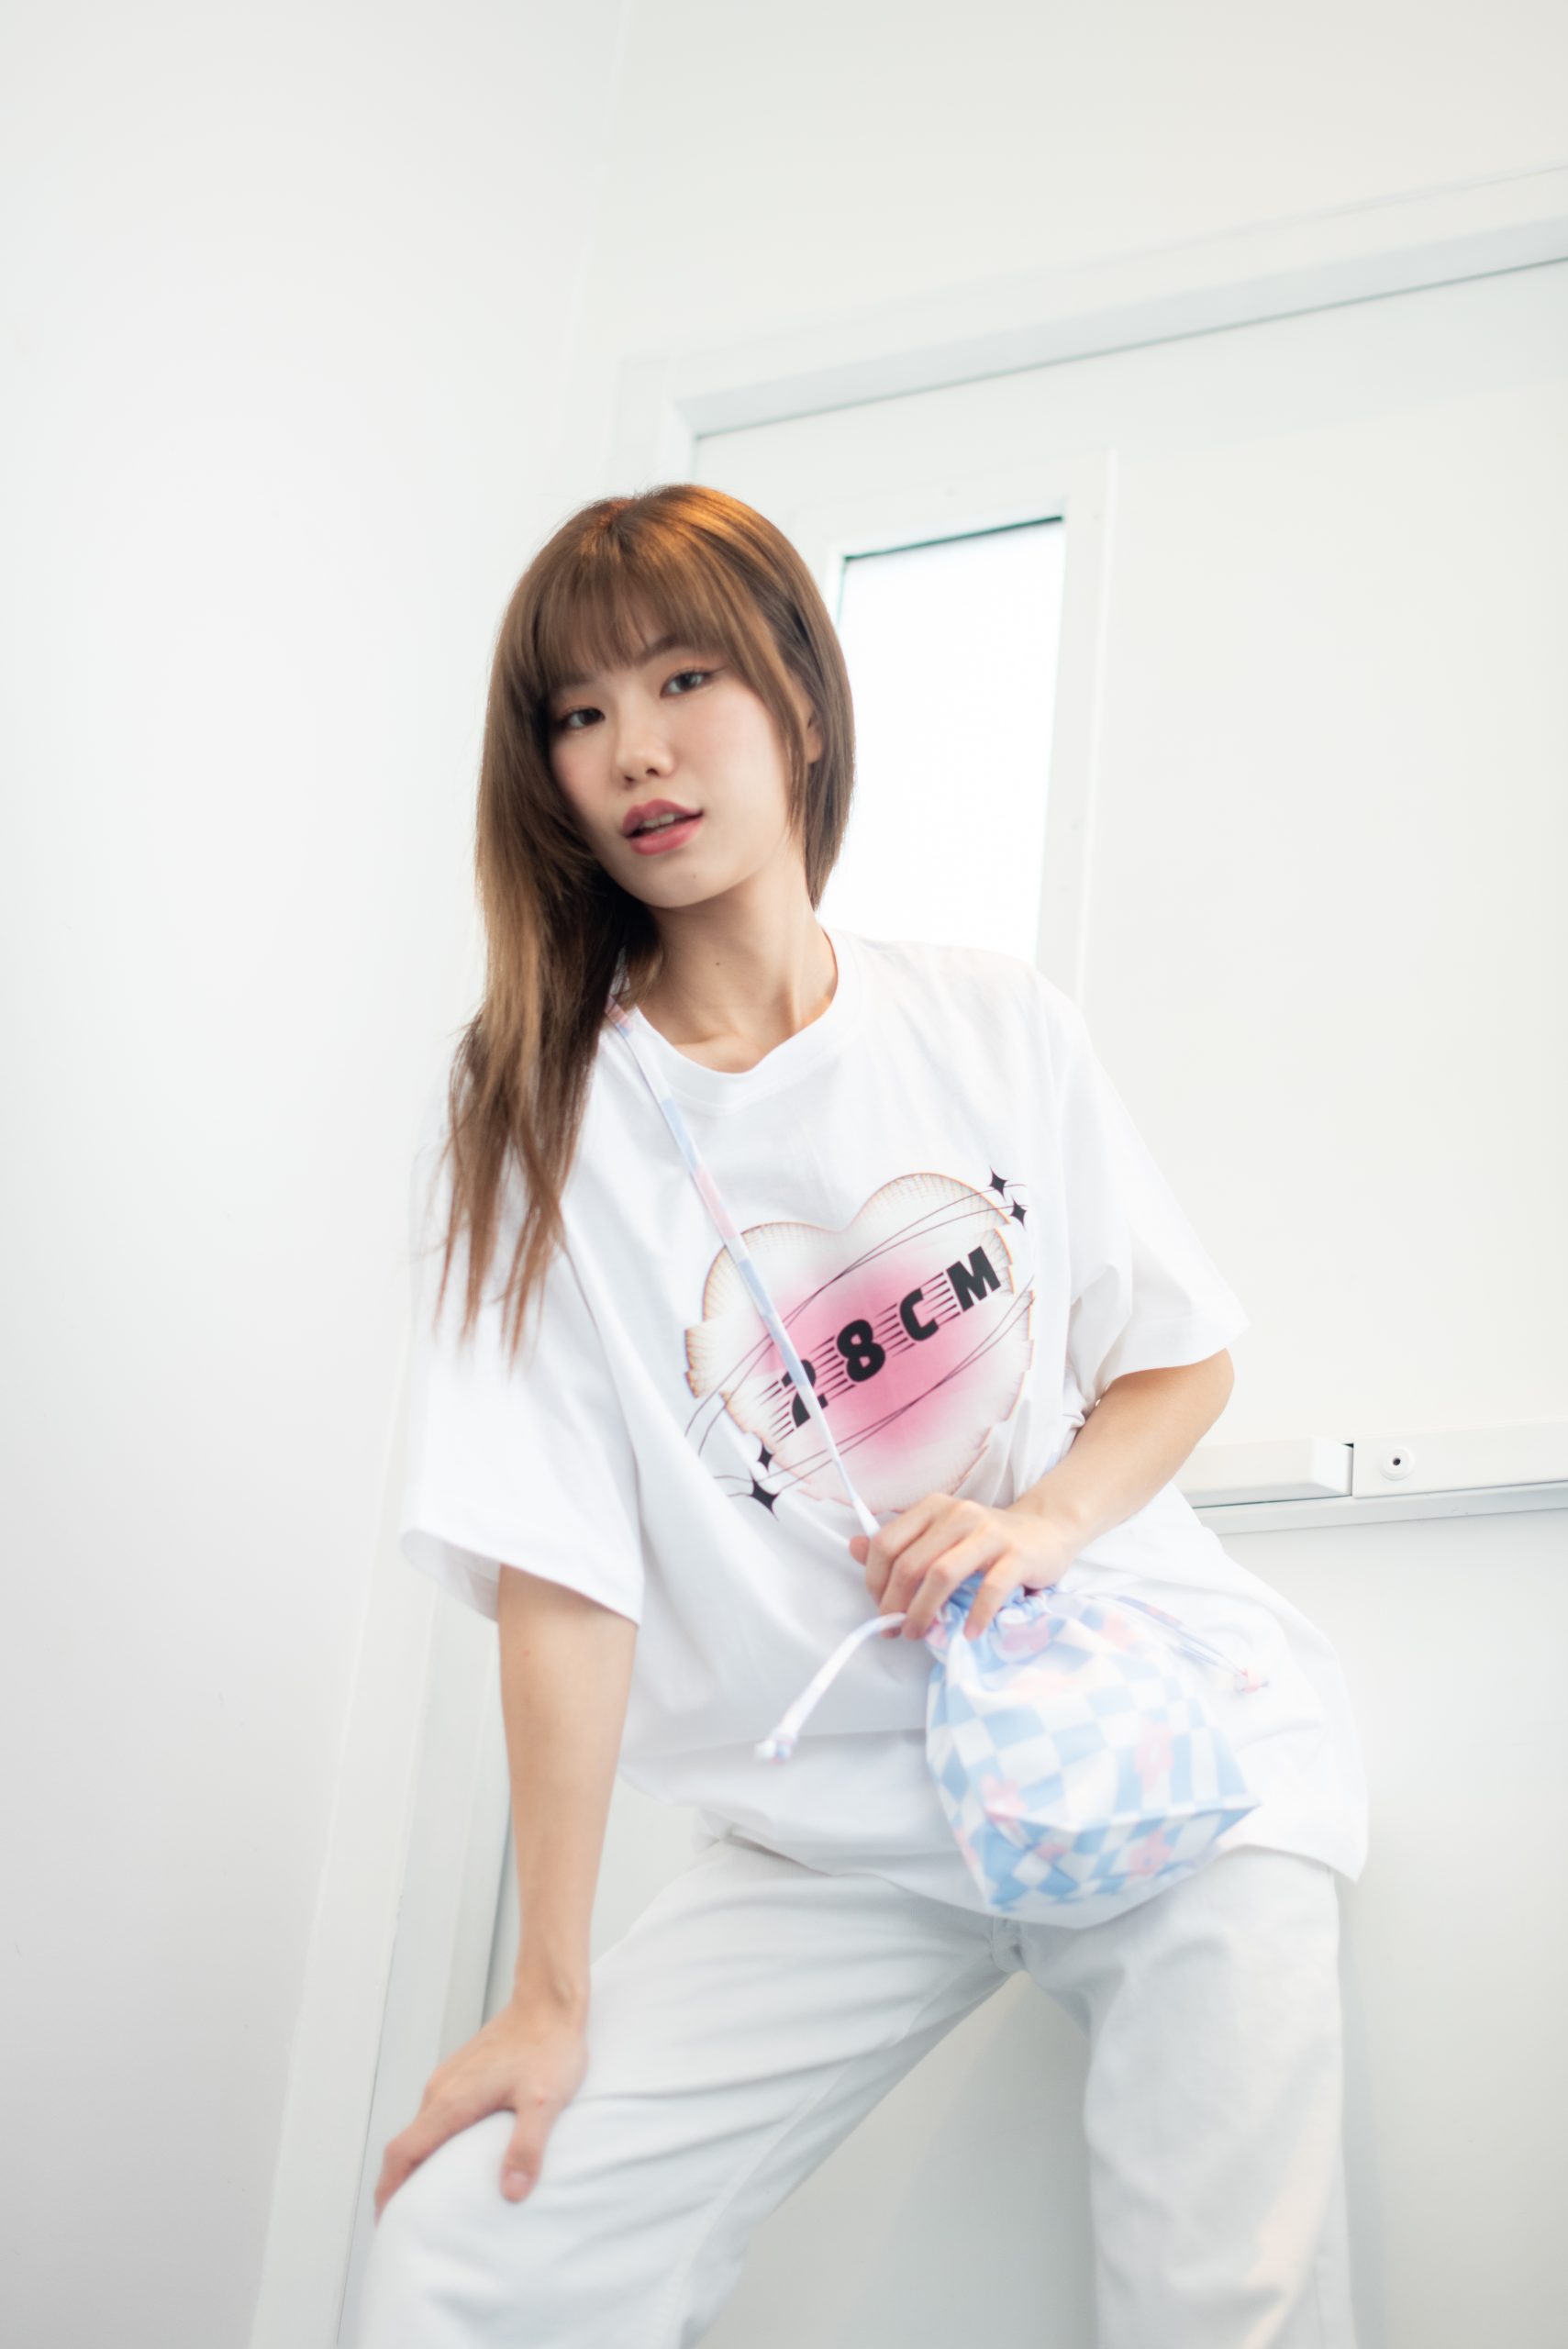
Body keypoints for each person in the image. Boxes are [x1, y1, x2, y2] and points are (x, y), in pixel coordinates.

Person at [354, 483, 1368, 2347]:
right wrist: (548, 1991)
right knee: (467, 2256)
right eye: (579, 712)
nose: (636, 750)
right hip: (837, 1821)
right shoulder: (539, 1122)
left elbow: (1178, 1359)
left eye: (685, 679)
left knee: (1229, 2303)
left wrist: (1041, 1523)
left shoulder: (988, 1022)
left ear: (802, 707)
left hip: (1161, 1742)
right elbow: (561, 1570)